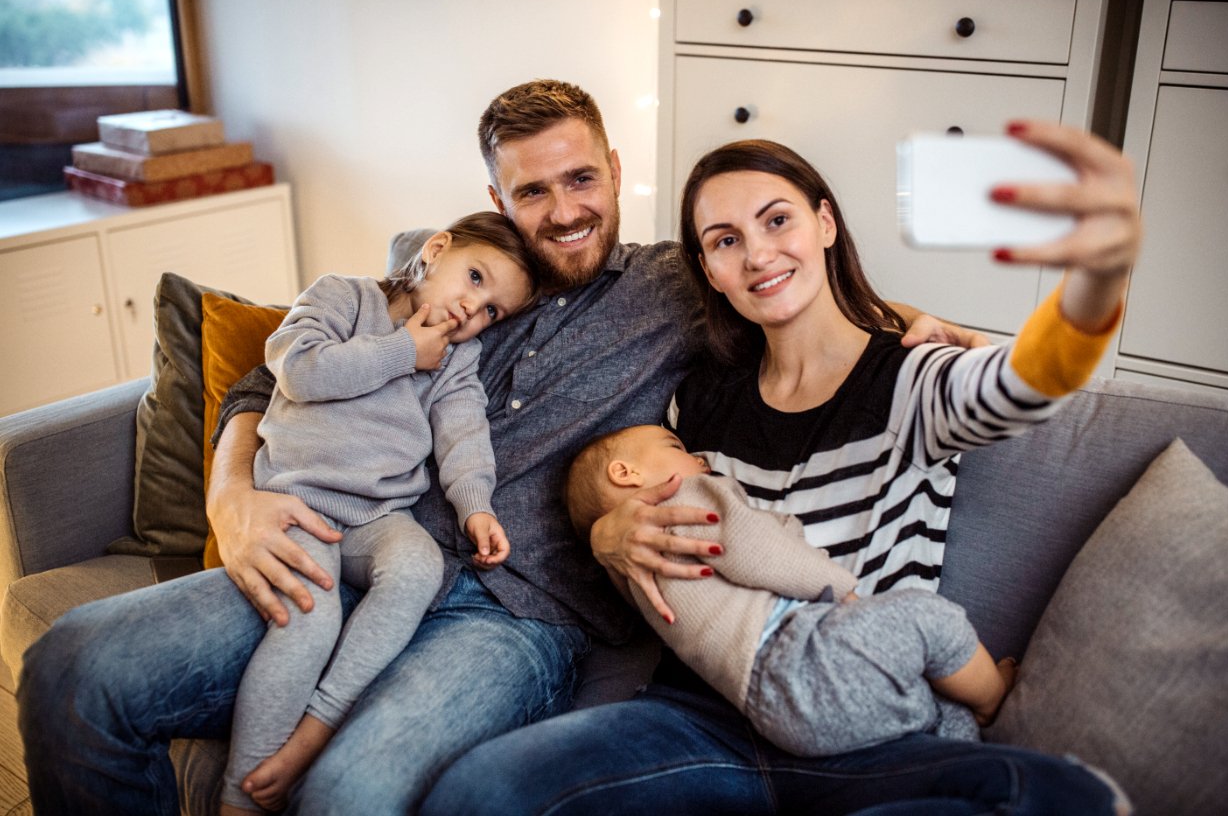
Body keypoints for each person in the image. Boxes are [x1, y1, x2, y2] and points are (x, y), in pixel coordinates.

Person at [18, 79, 992, 816]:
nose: (564, 209)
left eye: (581, 178)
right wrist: (231, 496)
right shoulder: (460, 278)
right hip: (352, 546)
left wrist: (904, 318)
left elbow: (782, 276)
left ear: (616, 169)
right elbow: (274, 374)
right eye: (534, 190)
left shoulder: (675, 286)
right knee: (73, 670)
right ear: (496, 195)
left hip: (513, 619)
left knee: (348, 795)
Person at [421, 122, 1140, 815]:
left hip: (860, 726)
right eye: (726, 240)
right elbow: (621, 488)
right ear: (709, 270)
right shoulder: (695, 399)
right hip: (698, 721)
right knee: (479, 793)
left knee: (1056, 794)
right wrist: (607, 536)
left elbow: (1025, 383)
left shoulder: (912, 379)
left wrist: (1099, 276)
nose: (758, 255)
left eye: (777, 221)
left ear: (824, 223)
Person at [218, 211, 538, 814]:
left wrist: (476, 508)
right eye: (474, 277)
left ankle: (324, 718)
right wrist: (403, 351)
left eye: (492, 310)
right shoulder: (343, 297)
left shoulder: (457, 359)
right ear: (436, 250)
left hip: (377, 515)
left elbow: (464, 435)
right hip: (295, 499)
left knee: (419, 567)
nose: (472, 308)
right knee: (308, 614)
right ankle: (240, 797)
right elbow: (298, 369)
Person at [564, 423, 1017, 758]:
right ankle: (993, 699)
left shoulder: (631, 573)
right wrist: (840, 590)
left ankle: (964, 744)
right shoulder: (682, 500)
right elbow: (757, 549)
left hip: (774, 716)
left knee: (929, 711)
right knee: (928, 617)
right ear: (625, 472)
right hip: (798, 655)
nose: (699, 459)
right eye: (676, 447)